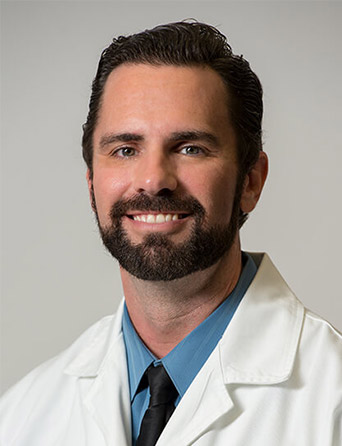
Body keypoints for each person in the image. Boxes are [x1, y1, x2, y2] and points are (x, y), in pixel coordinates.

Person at [1, 20, 341, 446]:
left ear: (251, 181)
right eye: (125, 150)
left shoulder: (333, 403)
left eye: (189, 148)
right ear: (92, 184)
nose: (153, 180)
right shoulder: (21, 417)